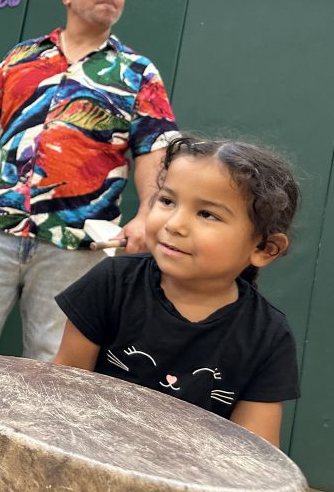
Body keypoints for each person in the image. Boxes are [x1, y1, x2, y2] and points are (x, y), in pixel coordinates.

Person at [0, 0, 179, 362]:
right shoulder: (23, 56)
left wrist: (146, 215)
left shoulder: (137, 72)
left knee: (52, 362)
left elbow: (153, 146)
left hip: (76, 247)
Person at [54, 137, 300, 446]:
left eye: (207, 214)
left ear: (264, 248)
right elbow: (61, 392)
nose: (175, 224)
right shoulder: (111, 282)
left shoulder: (268, 336)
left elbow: (252, 455)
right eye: (168, 201)